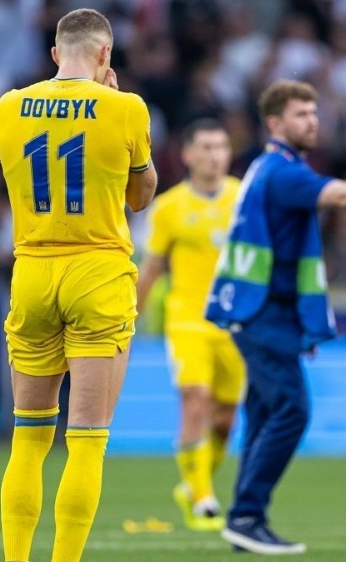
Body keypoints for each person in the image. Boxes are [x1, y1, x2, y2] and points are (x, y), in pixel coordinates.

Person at [206, 79, 346, 555]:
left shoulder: (267, 167)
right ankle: (247, 515)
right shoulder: (283, 172)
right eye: (301, 114)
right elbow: (344, 197)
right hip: (262, 311)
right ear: (275, 123)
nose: (313, 122)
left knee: (263, 415)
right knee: (292, 411)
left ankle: (244, 520)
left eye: (314, 113)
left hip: (260, 310)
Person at [0, 8, 157, 562]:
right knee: (86, 440)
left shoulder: (8, 106)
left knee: (28, 438)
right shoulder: (126, 106)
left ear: (55, 53)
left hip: (32, 271)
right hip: (97, 271)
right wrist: (112, 100)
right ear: (106, 54)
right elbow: (140, 196)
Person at [136, 119, 245, 532]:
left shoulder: (243, 197)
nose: (215, 155)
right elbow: (151, 269)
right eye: (206, 147)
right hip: (187, 320)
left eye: (221, 147)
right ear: (187, 154)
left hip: (235, 324)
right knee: (195, 400)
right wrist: (130, 318)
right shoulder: (169, 207)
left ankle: (194, 485)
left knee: (225, 420)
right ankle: (202, 500)